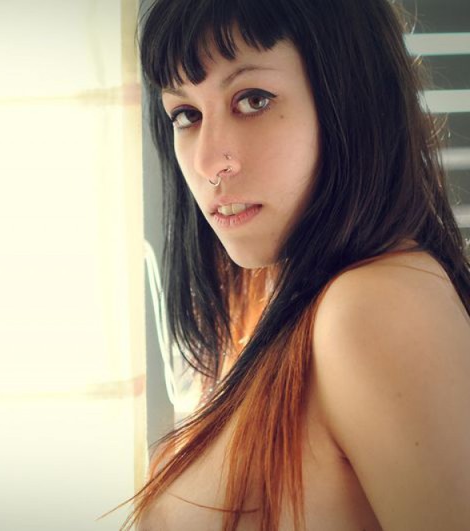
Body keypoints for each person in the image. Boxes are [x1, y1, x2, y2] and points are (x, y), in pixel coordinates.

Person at [126, 0, 470, 529]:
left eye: (253, 99)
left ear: (350, 98)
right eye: (186, 115)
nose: (209, 162)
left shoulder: (377, 304)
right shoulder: (276, 306)